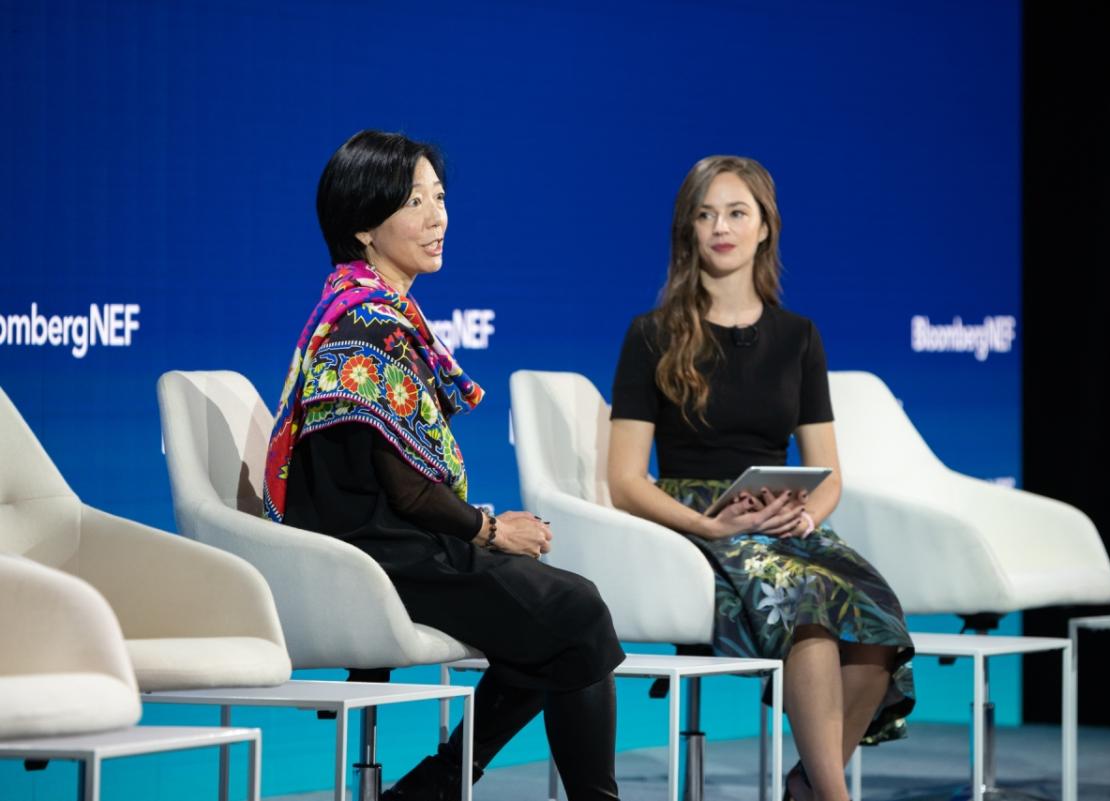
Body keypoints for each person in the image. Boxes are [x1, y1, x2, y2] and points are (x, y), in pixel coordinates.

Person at [264, 130, 624, 801]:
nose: (438, 218)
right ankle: (447, 784)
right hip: (372, 554)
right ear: (364, 226)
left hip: (388, 541)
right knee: (574, 611)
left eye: (439, 197)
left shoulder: (365, 308)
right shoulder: (365, 327)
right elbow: (402, 485)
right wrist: (489, 530)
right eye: (414, 202)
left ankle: (436, 785)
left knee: (556, 619)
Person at [608, 155, 914, 801]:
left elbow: (828, 470)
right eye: (705, 213)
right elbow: (625, 479)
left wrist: (807, 515)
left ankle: (806, 782)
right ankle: (833, 795)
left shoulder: (799, 336)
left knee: (877, 612)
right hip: (694, 517)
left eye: (737, 212)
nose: (721, 226)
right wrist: (708, 524)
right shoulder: (651, 335)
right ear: (688, 230)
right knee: (806, 599)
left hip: (784, 517)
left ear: (764, 227)